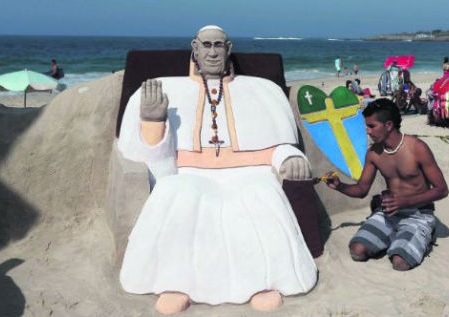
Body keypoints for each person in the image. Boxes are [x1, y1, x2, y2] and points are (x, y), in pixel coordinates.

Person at [118, 26, 317, 314]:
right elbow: (150, 162)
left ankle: (264, 283)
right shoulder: (164, 89)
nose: (212, 52)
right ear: (194, 48)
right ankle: (175, 284)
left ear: (229, 48)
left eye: (219, 46)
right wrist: (153, 122)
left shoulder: (263, 91)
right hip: (188, 173)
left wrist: (288, 157)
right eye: (206, 45)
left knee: (261, 197)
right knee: (177, 195)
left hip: (251, 172)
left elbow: (280, 143)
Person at [320, 99, 448, 271]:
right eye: (367, 126)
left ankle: (418, 234)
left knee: (400, 262)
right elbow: (361, 190)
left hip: (418, 213)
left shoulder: (417, 148)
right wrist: (340, 186)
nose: (368, 131)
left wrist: (405, 202)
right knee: (357, 251)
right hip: (388, 212)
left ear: (388, 125)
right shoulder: (373, 153)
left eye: (372, 126)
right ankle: (396, 236)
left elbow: (442, 190)